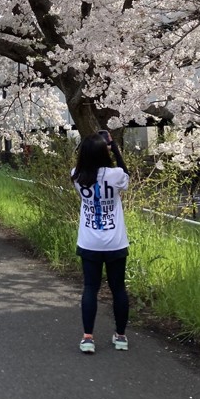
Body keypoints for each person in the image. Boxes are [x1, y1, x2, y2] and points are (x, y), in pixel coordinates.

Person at [71, 131, 130, 354]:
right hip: (115, 241)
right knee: (118, 289)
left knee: (90, 288)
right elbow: (127, 176)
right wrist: (116, 150)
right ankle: (121, 336)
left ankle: (88, 338)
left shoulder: (76, 174)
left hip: (89, 242)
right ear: (104, 152)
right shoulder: (115, 174)